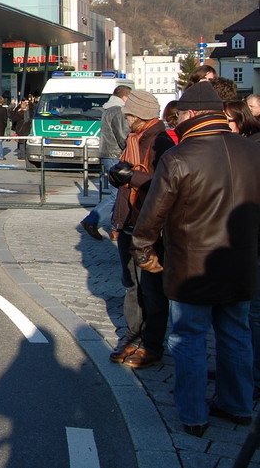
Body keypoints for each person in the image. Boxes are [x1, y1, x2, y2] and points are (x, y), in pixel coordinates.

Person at [131, 81, 260, 437]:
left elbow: (153, 215)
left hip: (192, 268)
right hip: (241, 264)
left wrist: (143, 251)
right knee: (236, 334)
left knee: (188, 338)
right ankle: (237, 405)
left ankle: (192, 414)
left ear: (189, 114)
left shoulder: (180, 156)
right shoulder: (253, 151)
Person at [103, 90, 174, 369]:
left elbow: (164, 186)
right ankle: (133, 337)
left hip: (150, 226)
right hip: (129, 220)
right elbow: (126, 181)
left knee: (153, 290)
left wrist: (132, 176)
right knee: (132, 286)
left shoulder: (162, 142)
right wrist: (118, 176)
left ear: (140, 116)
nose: (126, 119)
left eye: (129, 115)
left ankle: (152, 345)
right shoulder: (134, 139)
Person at [79, 86, 132, 240]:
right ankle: (93, 221)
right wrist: (130, 148)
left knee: (118, 193)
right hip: (115, 154)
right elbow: (122, 135)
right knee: (118, 194)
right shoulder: (117, 111)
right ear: (125, 97)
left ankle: (114, 226)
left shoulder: (109, 110)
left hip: (109, 154)